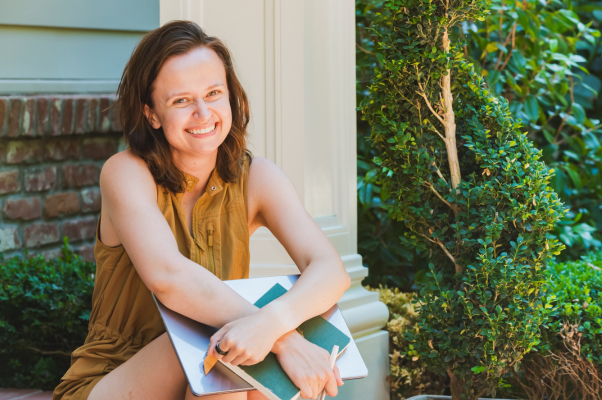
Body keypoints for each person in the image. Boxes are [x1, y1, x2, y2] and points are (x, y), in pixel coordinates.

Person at [52, 20, 351, 400]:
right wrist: (285, 341)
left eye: (213, 93)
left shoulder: (256, 177)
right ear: (152, 114)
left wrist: (273, 324)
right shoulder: (125, 173)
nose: (203, 112)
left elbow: (330, 270)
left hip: (213, 366)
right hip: (115, 379)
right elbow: (169, 278)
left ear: (231, 98)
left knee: (241, 360)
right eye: (181, 100)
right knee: (227, 353)